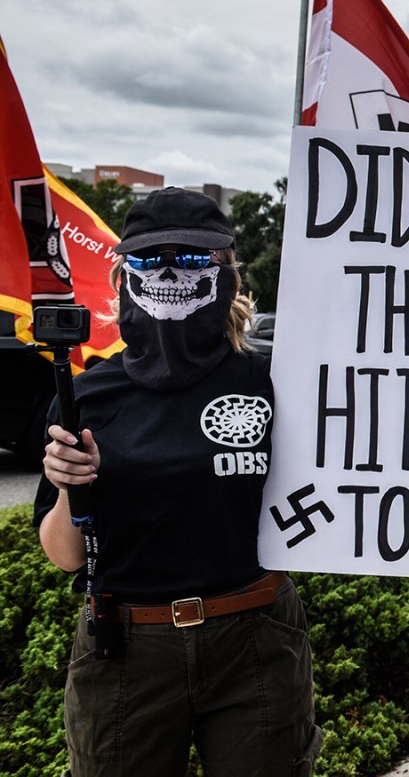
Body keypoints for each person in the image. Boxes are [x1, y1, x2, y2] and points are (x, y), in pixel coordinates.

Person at [35, 187, 320, 776]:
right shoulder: (86, 395)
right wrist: (67, 483)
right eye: (149, 259)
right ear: (123, 277)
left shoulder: (273, 381)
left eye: (191, 258)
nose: (169, 271)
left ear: (227, 274)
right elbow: (65, 556)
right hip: (125, 647)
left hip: (255, 637)